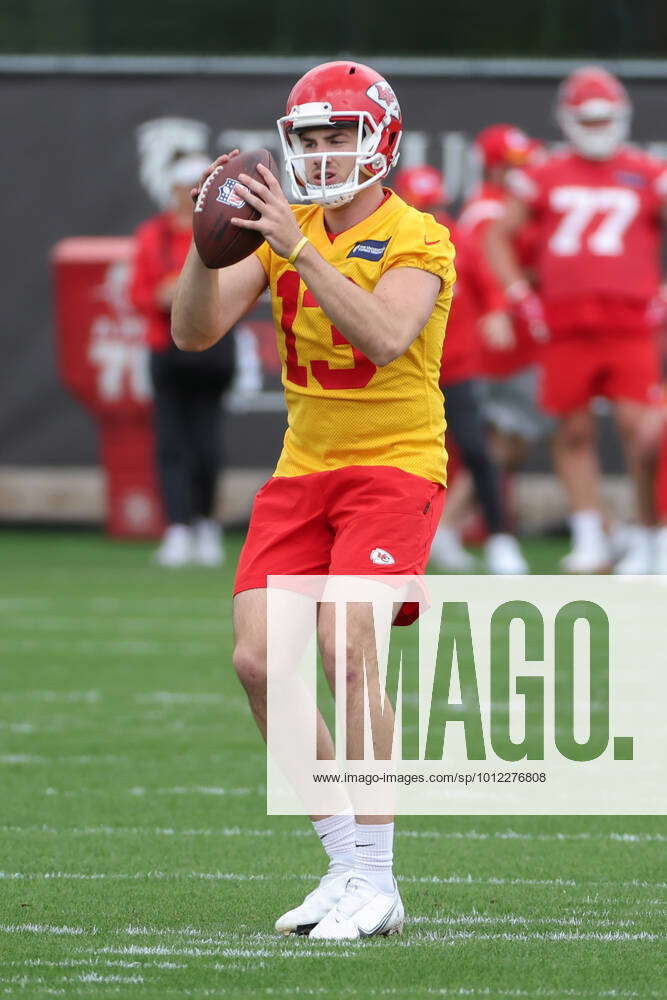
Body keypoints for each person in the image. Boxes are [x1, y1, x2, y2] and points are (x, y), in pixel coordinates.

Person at [172, 61, 456, 939]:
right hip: (303, 472)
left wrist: (295, 248)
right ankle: (342, 865)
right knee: (258, 665)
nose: (325, 152)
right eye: (311, 137)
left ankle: (379, 876)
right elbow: (193, 332)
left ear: (382, 141)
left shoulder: (420, 237)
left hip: (394, 466)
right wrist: (203, 239)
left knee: (348, 643)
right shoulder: (275, 231)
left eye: (340, 133)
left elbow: (381, 336)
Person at [486, 69, 667, 574]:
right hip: (564, 322)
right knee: (571, 431)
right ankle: (591, 534)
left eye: (603, 118)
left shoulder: (648, 170)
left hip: (629, 321)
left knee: (645, 431)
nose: (596, 126)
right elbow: (499, 235)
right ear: (568, 119)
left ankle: (655, 535)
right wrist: (521, 295)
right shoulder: (544, 173)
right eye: (588, 118)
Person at [393, 165, 527, 574]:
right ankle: (408, 539)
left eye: (435, 205)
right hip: (404, 370)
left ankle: (500, 538)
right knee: (400, 460)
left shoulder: (457, 239)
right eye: (422, 206)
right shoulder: (389, 242)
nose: (431, 213)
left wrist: (498, 315)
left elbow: (489, 287)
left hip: (456, 367)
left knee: (476, 450)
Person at [130, 152, 236, 567]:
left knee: (207, 445)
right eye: (187, 187)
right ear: (174, 189)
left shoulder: (224, 231)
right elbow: (141, 294)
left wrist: (187, 293)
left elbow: (235, 287)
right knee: (171, 442)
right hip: (165, 347)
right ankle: (177, 527)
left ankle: (205, 523)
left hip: (214, 347)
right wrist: (170, 294)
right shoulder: (151, 235)